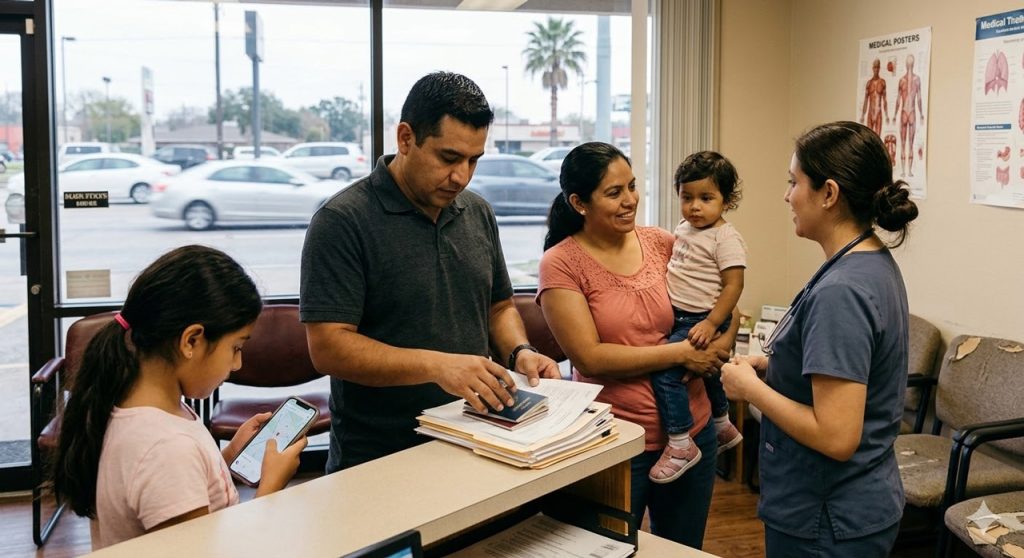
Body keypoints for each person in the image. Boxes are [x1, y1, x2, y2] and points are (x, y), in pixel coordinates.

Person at [300, 71, 561, 472]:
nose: (462, 176)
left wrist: (519, 351)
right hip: (379, 455)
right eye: (449, 158)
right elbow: (329, 346)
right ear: (406, 138)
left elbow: (498, 307)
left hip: (476, 437)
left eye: (474, 160)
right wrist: (437, 366)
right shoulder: (342, 221)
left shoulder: (477, 212)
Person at [721, 121, 919, 557]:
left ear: (828, 194)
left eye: (794, 182)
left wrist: (750, 390)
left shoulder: (842, 291)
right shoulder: (869, 261)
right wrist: (775, 368)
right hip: (851, 506)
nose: (787, 196)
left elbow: (836, 435)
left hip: (828, 518)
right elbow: (850, 372)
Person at [537, 142, 737, 548]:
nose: (630, 200)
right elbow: (589, 358)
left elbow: (717, 300)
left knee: (682, 552)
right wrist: (683, 353)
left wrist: (723, 343)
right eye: (614, 193)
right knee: (611, 551)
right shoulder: (561, 263)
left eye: (632, 186)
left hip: (693, 436)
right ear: (579, 202)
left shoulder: (663, 242)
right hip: (617, 442)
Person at [52, 245, 306, 550]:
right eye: (236, 348)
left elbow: (182, 498)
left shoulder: (141, 408)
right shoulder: (166, 449)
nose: (237, 364)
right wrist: (271, 490)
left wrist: (227, 458)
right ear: (191, 340)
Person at [648, 151, 746, 484]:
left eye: (706, 198)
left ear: (727, 200)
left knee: (665, 373)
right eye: (686, 197)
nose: (694, 207)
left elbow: (734, 285)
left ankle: (679, 443)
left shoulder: (726, 237)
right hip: (682, 316)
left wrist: (711, 323)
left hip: (701, 317)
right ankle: (721, 423)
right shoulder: (684, 228)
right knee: (709, 372)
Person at [893, 54, 924, 177]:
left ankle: (905, 171)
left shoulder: (903, 80)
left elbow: (899, 99)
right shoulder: (915, 80)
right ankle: (907, 171)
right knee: (907, 143)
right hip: (910, 112)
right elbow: (918, 99)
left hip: (905, 112)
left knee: (905, 143)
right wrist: (921, 114)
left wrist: (895, 114)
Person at [859, 59, 889, 136]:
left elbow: (884, 100)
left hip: (879, 113)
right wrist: (863, 115)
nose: (876, 69)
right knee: (869, 137)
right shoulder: (869, 83)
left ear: (879, 68)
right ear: (872, 68)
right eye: (875, 67)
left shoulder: (882, 82)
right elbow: (865, 100)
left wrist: (886, 115)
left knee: (878, 138)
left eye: (877, 67)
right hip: (870, 113)